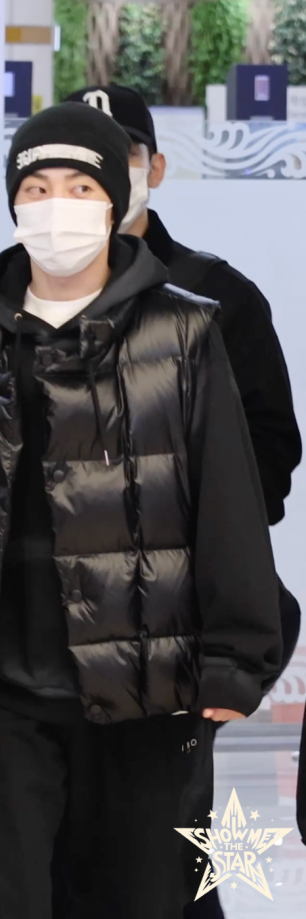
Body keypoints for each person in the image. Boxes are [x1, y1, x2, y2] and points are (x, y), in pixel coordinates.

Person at [0, 102, 282, 919]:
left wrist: (236, 654)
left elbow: (226, 498)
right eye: (36, 187)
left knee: (139, 897)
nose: (57, 206)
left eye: (80, 187)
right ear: (12, 203)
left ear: (116, 200)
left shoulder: (183, 332)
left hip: (144, 687)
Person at [62, 83, 303, 919]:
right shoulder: (9, 303)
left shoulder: (217, 296)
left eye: (122, 154)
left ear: (154, 167)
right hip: (42, 633)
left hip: (168, 628)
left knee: (163, 857)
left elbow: (268, 456)